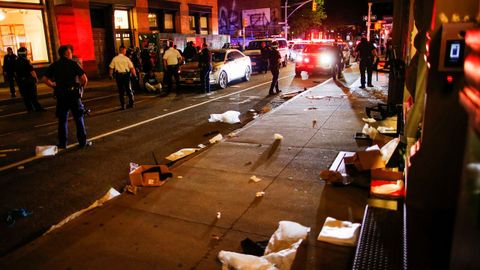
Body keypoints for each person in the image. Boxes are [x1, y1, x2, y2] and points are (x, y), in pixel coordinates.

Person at [43, 45, 90, 149]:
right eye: (70, 52)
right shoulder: (73, 64)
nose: (71, 54)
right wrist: (81, 88)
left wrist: (53, 85)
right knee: (78, 118)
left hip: (61, 95)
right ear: (67, 53)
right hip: (73, 95)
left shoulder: (55, 65)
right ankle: (82, 142)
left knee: (62, 120)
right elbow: (84, 79)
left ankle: (62, 143)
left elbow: (45, 79)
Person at [15, 47, 44, 112]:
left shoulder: (16, 61)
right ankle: (38, 108)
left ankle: (29, 109)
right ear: (24, 53)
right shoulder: (26, 61)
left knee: (25, 96)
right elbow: (32, 71)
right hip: (29, 80)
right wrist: (36, 78)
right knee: (33, 95)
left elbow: (15, 72)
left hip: (20, 81)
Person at [109, 45, 137, 110]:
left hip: (119, 76)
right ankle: (131, 103)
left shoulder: (114, 58)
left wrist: (110, 75)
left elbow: (111, 68)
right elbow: (132, 68)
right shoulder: (126, 59)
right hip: (126, 75)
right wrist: (135, 76)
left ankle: (123, 105)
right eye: (125, 51)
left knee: (121, 91)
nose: (125, 52)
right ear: (123, 50)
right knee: (129, 89)